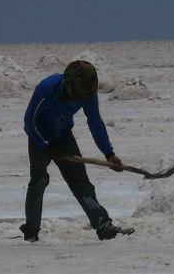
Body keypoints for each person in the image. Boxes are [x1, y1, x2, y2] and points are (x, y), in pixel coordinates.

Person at [20, 60, 125, 242]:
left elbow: (95, 121)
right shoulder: (47, 88)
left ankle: (103, 225)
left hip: (63, 135)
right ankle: (31, 231)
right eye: (75, 94)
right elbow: (29, 121)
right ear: (67, 84)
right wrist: (45, 144)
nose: (78, 99)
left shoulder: (88, 92)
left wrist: (108, 153)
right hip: (39, 136)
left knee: (81, 183)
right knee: (39, 181)